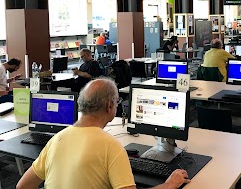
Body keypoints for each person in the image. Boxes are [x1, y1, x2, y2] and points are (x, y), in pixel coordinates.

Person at [16, 79, 190, 189]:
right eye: (116, 102)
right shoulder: (110, 146)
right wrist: (169, 184)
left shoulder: (57, 139)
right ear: (109, 106)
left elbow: (22, 186)